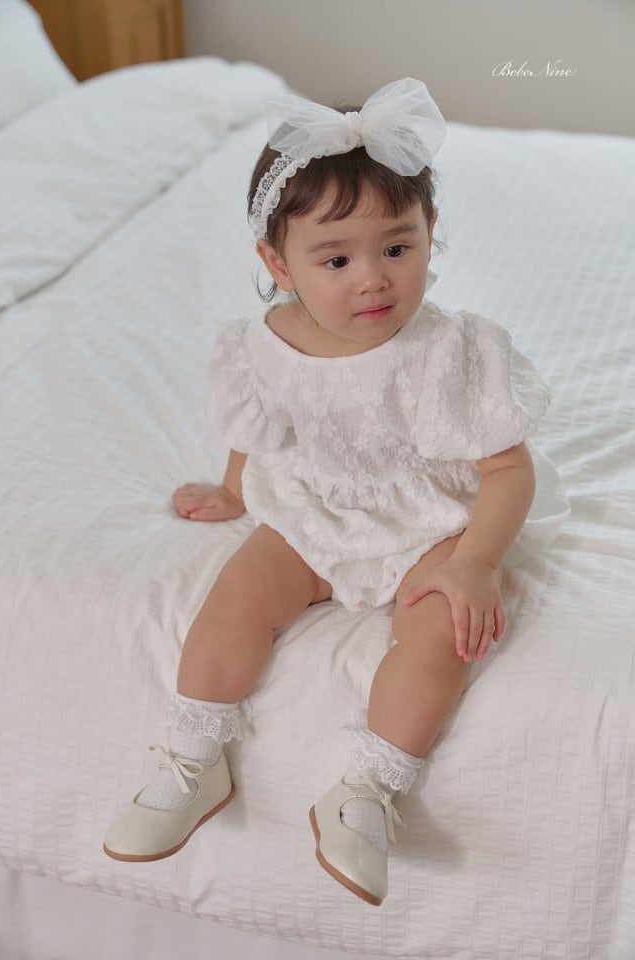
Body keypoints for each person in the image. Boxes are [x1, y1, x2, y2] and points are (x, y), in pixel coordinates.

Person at [103, 78, 567, 906]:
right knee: (236, 596)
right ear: (277, 264)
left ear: (430, 233)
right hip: (316, 506)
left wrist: (476, 563)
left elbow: (507, 470)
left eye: (398, 248)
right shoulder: (265, 345)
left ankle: (367, 793)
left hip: (429, 519)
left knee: (442, 636)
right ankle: (194, 759)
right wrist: (235, 490)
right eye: (337, 259)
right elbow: (260, 426)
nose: (373, 281)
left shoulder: (449, 351)